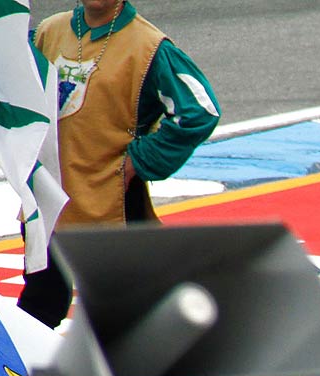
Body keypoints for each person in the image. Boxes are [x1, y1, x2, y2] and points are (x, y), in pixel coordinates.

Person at [21, 0, 220, 327]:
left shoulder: (149, 47)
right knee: (39, 308)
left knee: (127, 317)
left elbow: (200, 111)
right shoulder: (49, 31)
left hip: (110, 207)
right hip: (47, 203)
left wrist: (139, 161)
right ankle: (21, 375)